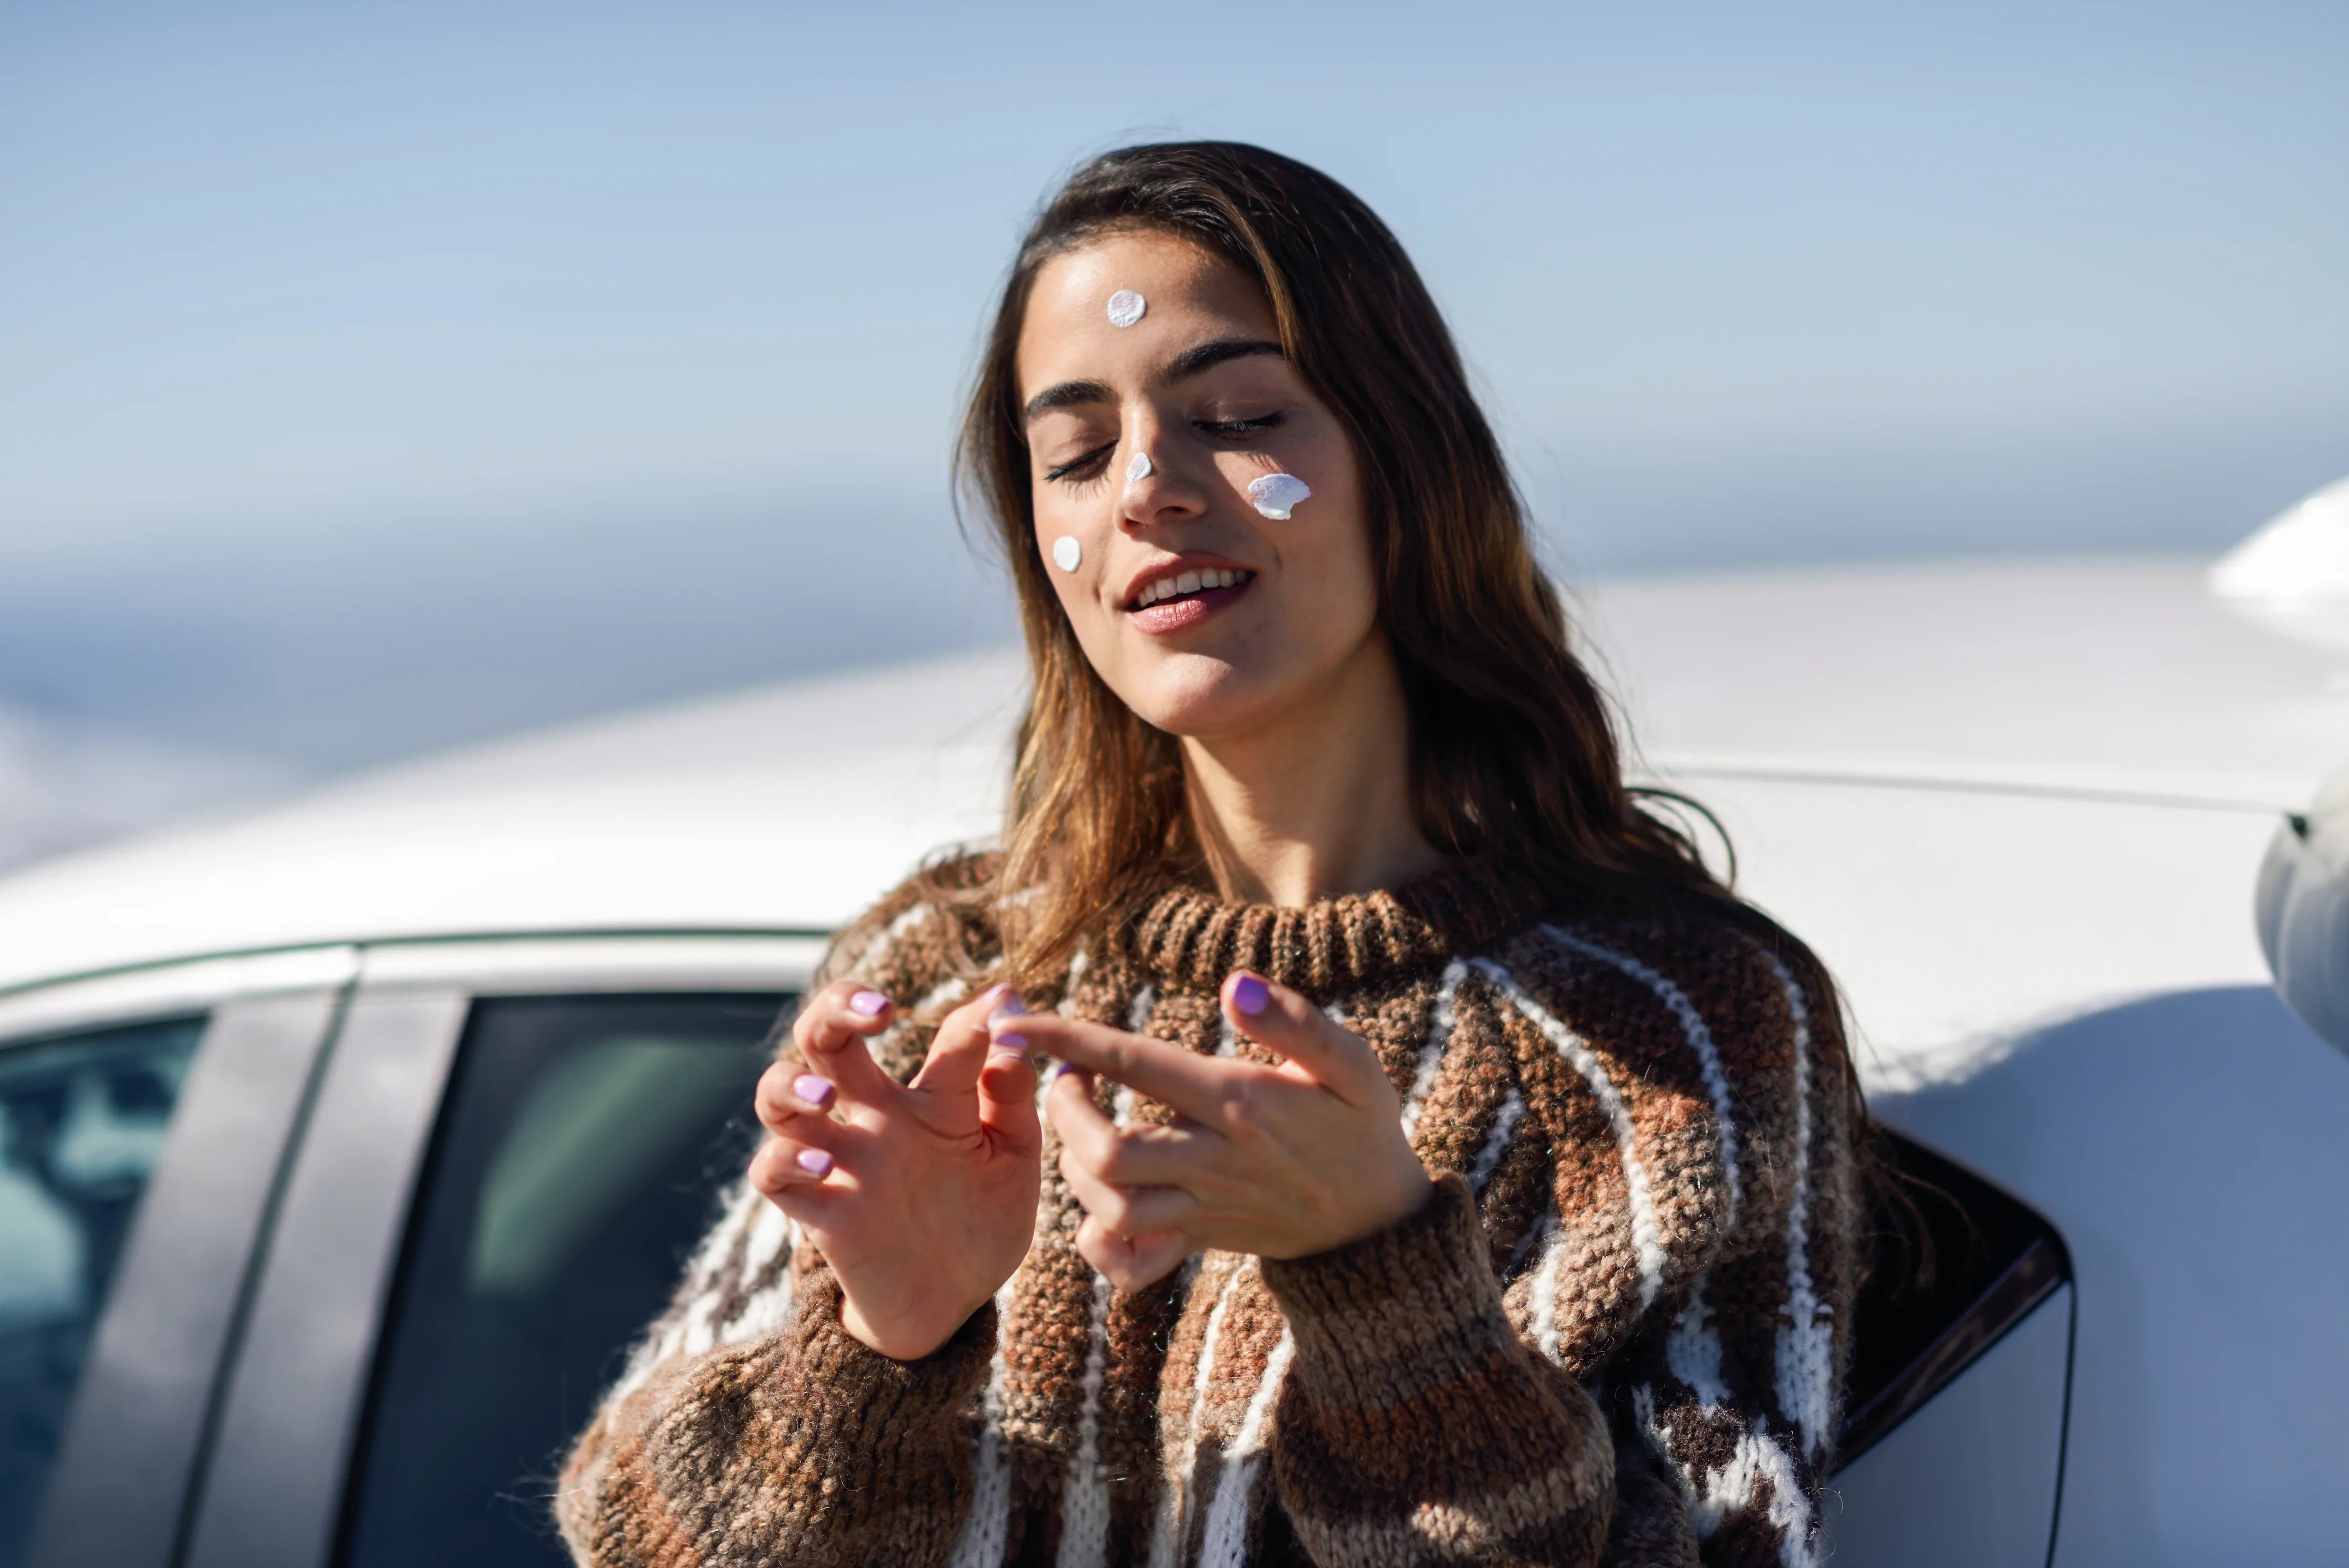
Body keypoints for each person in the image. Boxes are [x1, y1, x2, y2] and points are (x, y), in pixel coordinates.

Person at [557, 142, 1862, 1568]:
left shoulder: (1672, 1029)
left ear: (1407, 459)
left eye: (1238, 414)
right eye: (1073, 452)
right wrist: (879, 1341)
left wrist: (1386, 1289)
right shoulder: (946, 978)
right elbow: (642, 1543)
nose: (1146, 489)